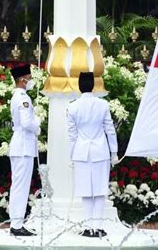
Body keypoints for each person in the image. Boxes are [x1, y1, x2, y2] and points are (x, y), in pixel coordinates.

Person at [66, 72, 119, 237]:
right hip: (100, 151)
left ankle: (89, 227)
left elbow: (72, 135)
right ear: (93, 86)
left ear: (80, 86)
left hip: (81, 152)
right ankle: (99, 226)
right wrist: (114, 152)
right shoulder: (102, 105)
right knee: (99, 189)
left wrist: (71, 156)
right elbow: (110, 130)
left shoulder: (72, 106)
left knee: (86, 190)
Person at [8, 64, 41, 236]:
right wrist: (38, 124)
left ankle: (17, 222)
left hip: (21, 146)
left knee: (18, 185)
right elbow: (27, 123)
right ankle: (17, 224)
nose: (31, 81)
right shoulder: (23, 98)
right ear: (23, 80)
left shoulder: (19, 96)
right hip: (23, 147)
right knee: (20, 186)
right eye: (29, 78)